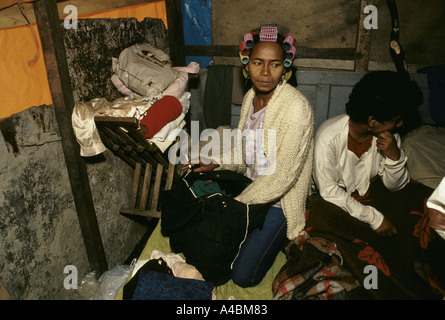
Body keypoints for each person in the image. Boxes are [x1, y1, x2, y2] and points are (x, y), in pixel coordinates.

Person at [182, 24, 314, 287]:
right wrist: (215, 162)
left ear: (285, 66)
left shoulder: (297, 109)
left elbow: (281, 178)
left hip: (278, 200)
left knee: (243, 277)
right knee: (206, 241)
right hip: (251, 187)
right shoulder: (250, 98)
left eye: (274, 64)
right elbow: (246, 152)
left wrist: (236, 205)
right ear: (246, 63)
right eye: (257, 63)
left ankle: (279, 239)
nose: (265, 73)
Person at [308, 70, 445, 299]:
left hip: (371, 193)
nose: (401, 124)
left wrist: (394, 156)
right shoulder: (328, 137)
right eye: (396, 119)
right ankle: (404, 272)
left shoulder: (388, 137)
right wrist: (374, 218)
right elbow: (329, 191)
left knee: (427, 199)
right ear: (372, 121)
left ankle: (430, 263)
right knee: (322, 216)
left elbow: (396, 186)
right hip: (333, 201)